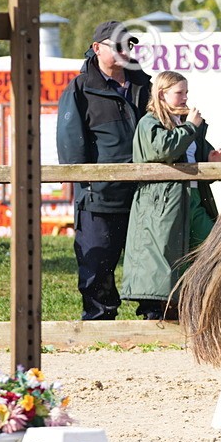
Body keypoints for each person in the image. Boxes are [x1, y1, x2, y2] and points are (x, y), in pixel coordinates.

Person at [57, 20, 152, 321]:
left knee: (149, 261)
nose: (126, 50)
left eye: (130, 44)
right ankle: (98, 322)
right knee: (97, 262)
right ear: (97, 48)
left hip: (145, 195)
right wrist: (89, 187)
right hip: (100, 196)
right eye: (118, 45)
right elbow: (71, 148)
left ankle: (156, 320)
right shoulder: (80, 89)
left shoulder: (147, 85)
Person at [122, 71, 221, 320]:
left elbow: (194, 156)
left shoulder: (186, 123)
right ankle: (163, 313)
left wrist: (211, 160)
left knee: (212, 246)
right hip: (163, 202)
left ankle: (198, 304)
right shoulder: (149, 122)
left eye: (186, 92)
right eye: (179, 92)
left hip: (192, 198)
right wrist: (191, 126)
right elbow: (164, 149)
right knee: (165, 258)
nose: (184, 97)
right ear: (162, 94)